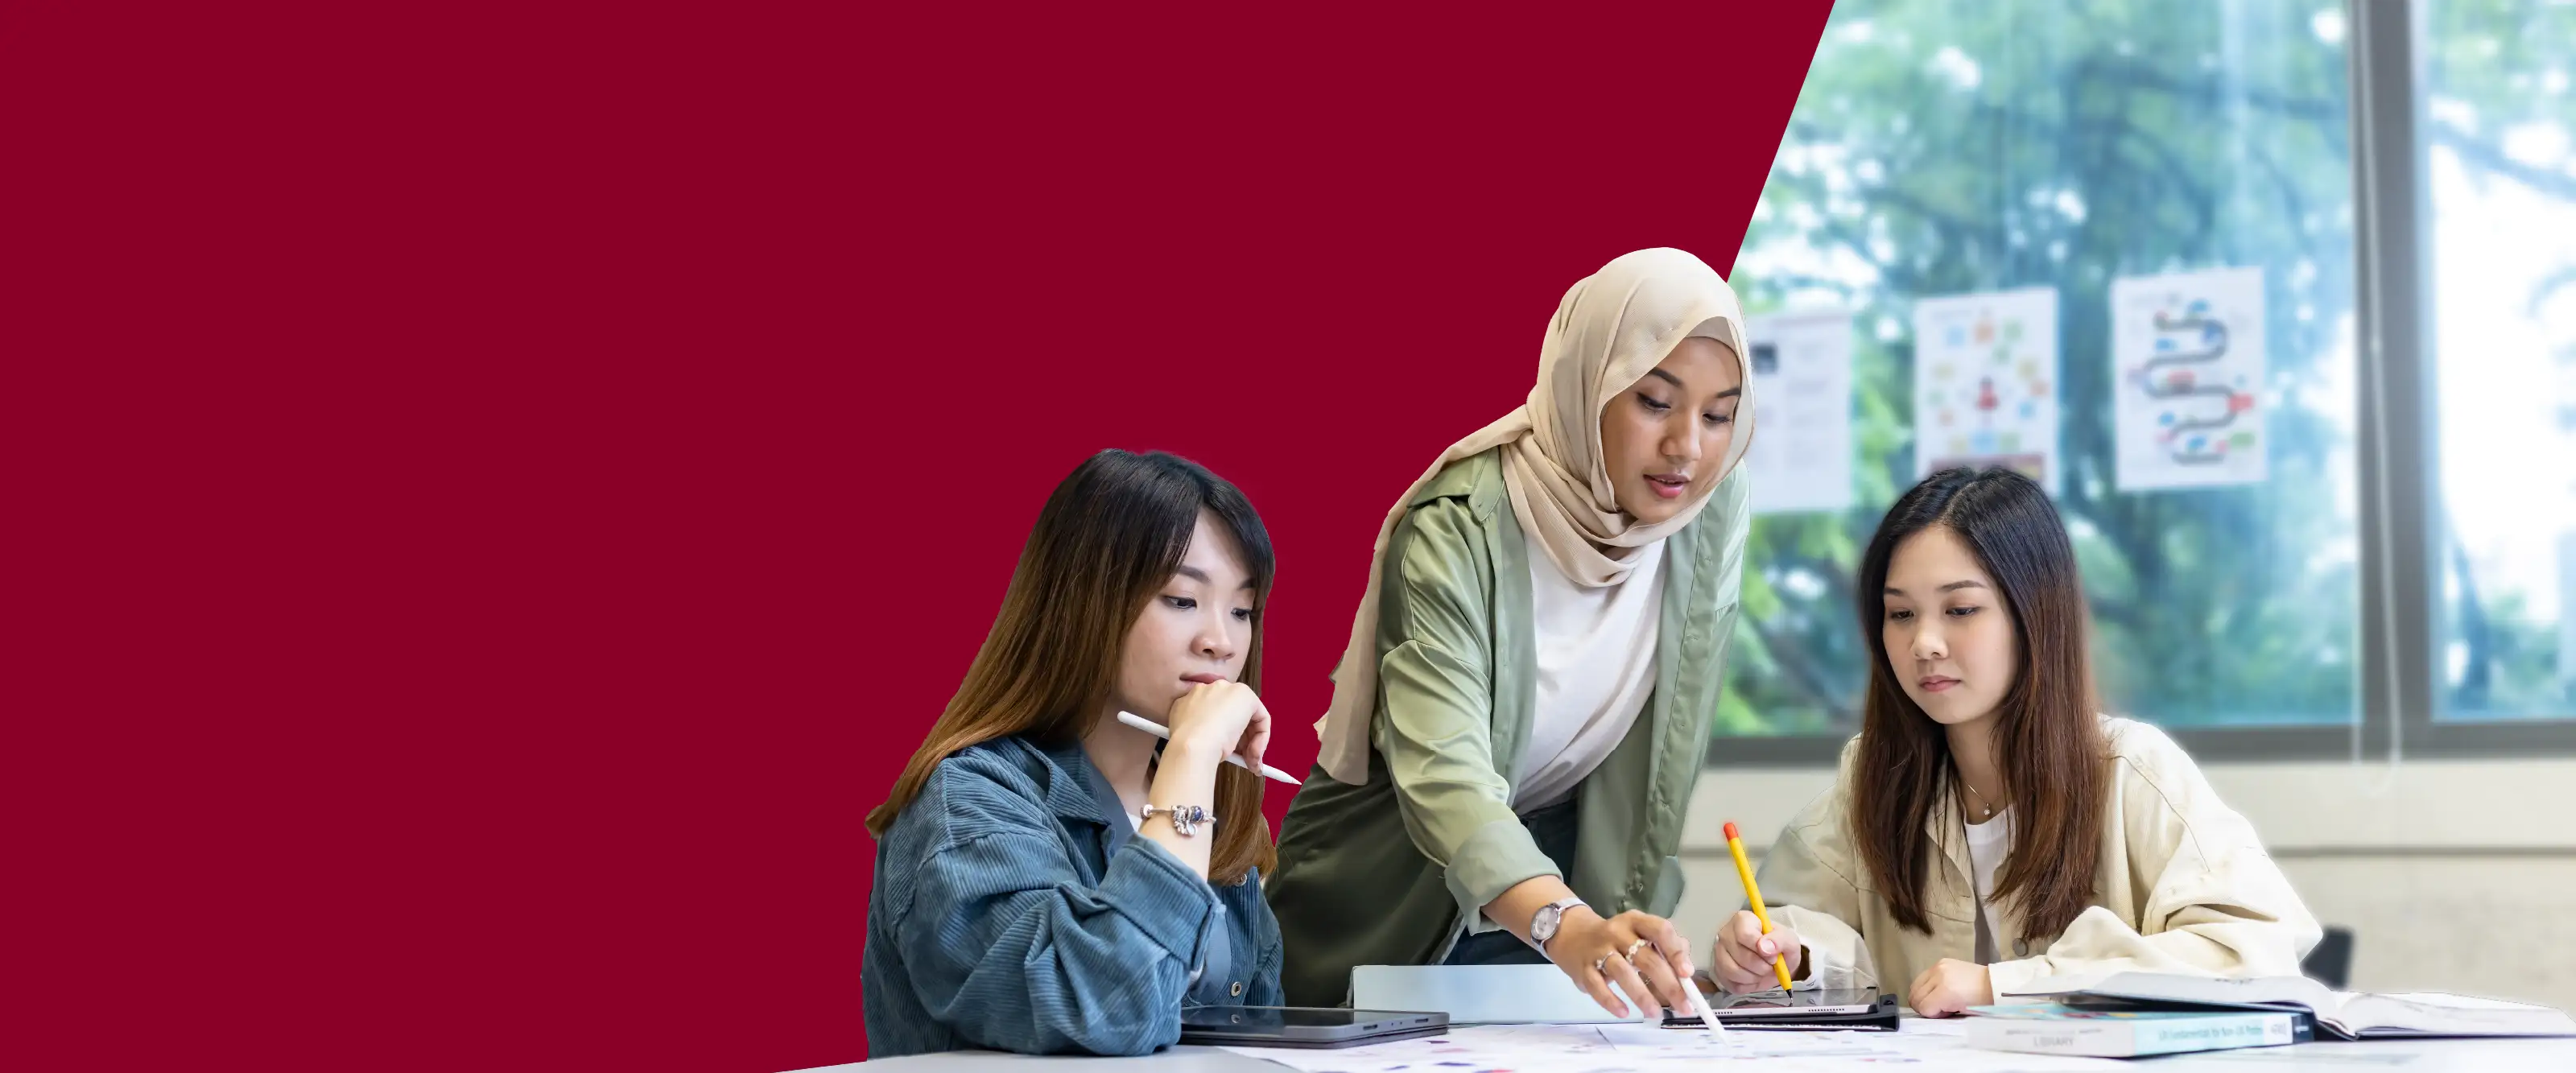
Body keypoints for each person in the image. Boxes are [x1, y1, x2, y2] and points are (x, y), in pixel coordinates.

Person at [1267, 248, 1758, 1017]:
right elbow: (1445, 774)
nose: (1689, 448)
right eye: (1656, 402)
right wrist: (1565, 922)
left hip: (1564, 890)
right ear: (1586, 383)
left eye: (1720, 414)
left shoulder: (1708, 514)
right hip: (1390, 884)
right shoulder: (1453, 527)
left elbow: (1667, 748)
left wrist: (1616, 920)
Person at [1710, 467, 2320, 1017]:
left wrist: (2006, 984)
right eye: (1900, 614)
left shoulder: (2132, 769)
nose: (1924, 643)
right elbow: (1811, 928)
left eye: (1961, 610)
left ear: (2034, 613)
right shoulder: (1873, 774)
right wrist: (1784, 951)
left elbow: (2253, 952)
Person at [862, 449, 1285, 1056]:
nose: (1220, 641)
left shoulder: (1216, 810)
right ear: (1085, 601)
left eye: (1242, 610)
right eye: (1181, 599)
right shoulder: (967, 801)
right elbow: (1108, 1007)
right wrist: (1192, 762)